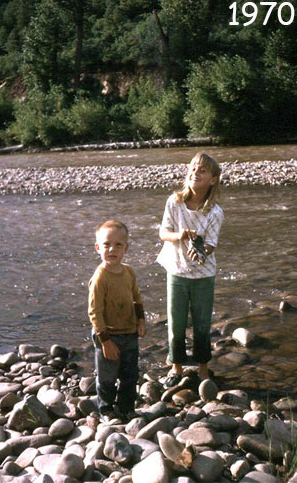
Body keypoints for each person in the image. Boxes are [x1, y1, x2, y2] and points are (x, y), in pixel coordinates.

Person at [157, 152, 224, 387]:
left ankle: (203, 369)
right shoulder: (174, 202)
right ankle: (176, 367)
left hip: (203, 275)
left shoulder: (215, 212)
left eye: (202, 170)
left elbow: (211, 244)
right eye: (193, 168)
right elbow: (163, 233)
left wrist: (202, 251)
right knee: (176, 323)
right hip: (176, 271)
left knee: (202, 324)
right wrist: (181, 235)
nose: (195, 172)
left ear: (213, 180)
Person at [88, 220, 146, 422]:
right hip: (108, 334)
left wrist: (141, 320)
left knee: (130, 374)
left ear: (126, 248)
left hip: (129, 332)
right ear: (98, 248)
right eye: (106, 244)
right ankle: (106, 410)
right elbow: (94, 312)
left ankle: (126, 408)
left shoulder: (128, 271)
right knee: (107, 377)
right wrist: (105, 341)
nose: (112, 249)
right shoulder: (99, 278)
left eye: (118, 245)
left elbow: (136, 297)